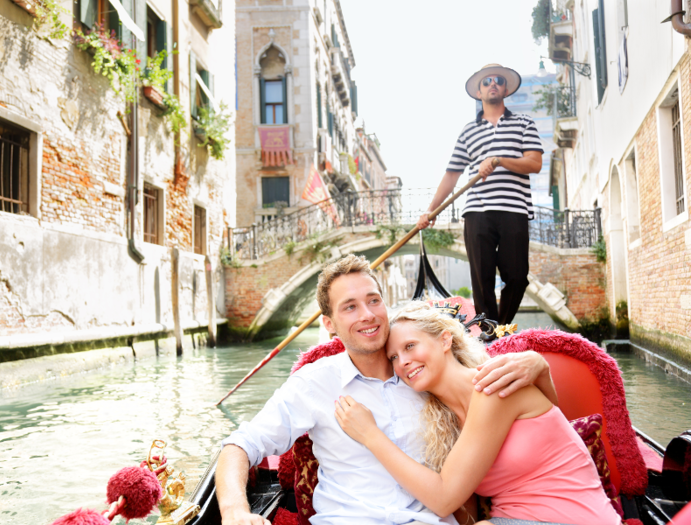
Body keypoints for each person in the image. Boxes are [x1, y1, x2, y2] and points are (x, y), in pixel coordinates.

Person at [215, 254, 558, 525]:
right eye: (350, 307)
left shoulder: (426, 373)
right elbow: (240, 445)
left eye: (373, 300)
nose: (367, 315)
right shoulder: (314, 382)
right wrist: (233, 511)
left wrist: (538, 366)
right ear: (330, 325)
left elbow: (538, 423)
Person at [334, 301, 622, 525]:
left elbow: (444, 497)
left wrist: (370, 436)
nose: (404, 362)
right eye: (394, 357)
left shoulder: (493, 386)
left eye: (410, 346)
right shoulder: (444, 421)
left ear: (445, 341)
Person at [417, 64, 544, 326]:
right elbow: (452, 175)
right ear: (479, 91)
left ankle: (501, 327)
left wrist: (499, 160)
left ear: (505, 88)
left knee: (518, 276)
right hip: (477, 212)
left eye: (497, 80)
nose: (492, 84)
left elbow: (534, 163)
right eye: (486, 82)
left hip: (514, 210)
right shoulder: (468, 131)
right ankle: (489, 331)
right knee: (482, 278)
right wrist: (430, 211)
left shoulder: (524, 123)